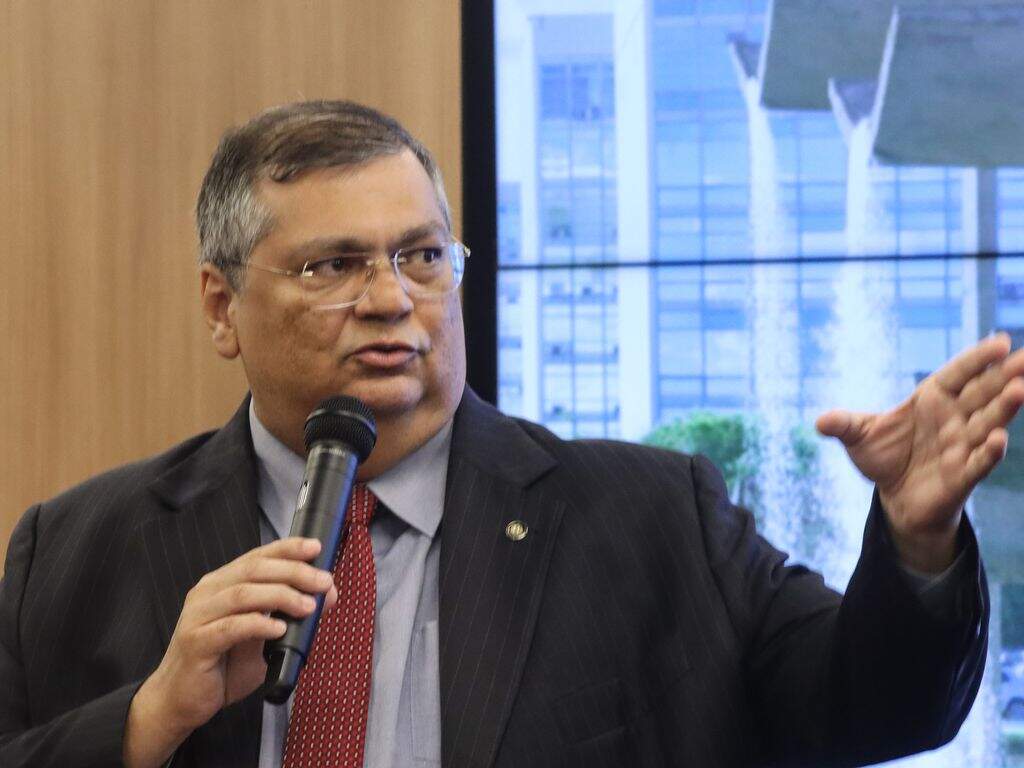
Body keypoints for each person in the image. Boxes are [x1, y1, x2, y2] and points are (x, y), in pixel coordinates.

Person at [0, 100, 1020, 768]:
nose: (391, 299)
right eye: (334, 266)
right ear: (222, 308)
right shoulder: (74, 550)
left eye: (421, 256)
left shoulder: (652, 518)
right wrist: (145, 723)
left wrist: (917, 539)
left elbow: (869, 705)